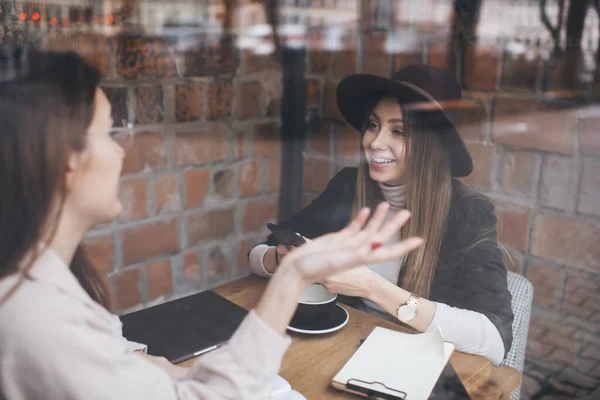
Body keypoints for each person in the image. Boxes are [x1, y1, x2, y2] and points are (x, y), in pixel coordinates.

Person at [0, 46, 424, 400]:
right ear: (68, 160)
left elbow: (113, 353)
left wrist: (167, 370)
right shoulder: (40, 320)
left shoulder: (40, 286)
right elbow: (263, 250)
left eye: (399, 131)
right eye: (109, 133)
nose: (122, 151)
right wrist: (291, 272)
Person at [249, 64, 515, 366]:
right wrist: (283, 259)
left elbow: (496, 339)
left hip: (414, 365)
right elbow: (258, 254)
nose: (375, 142)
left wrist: (372, 287)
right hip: (341, 348)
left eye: (398, 131)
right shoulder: (350, 185)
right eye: (373, 125)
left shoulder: (468, 212)